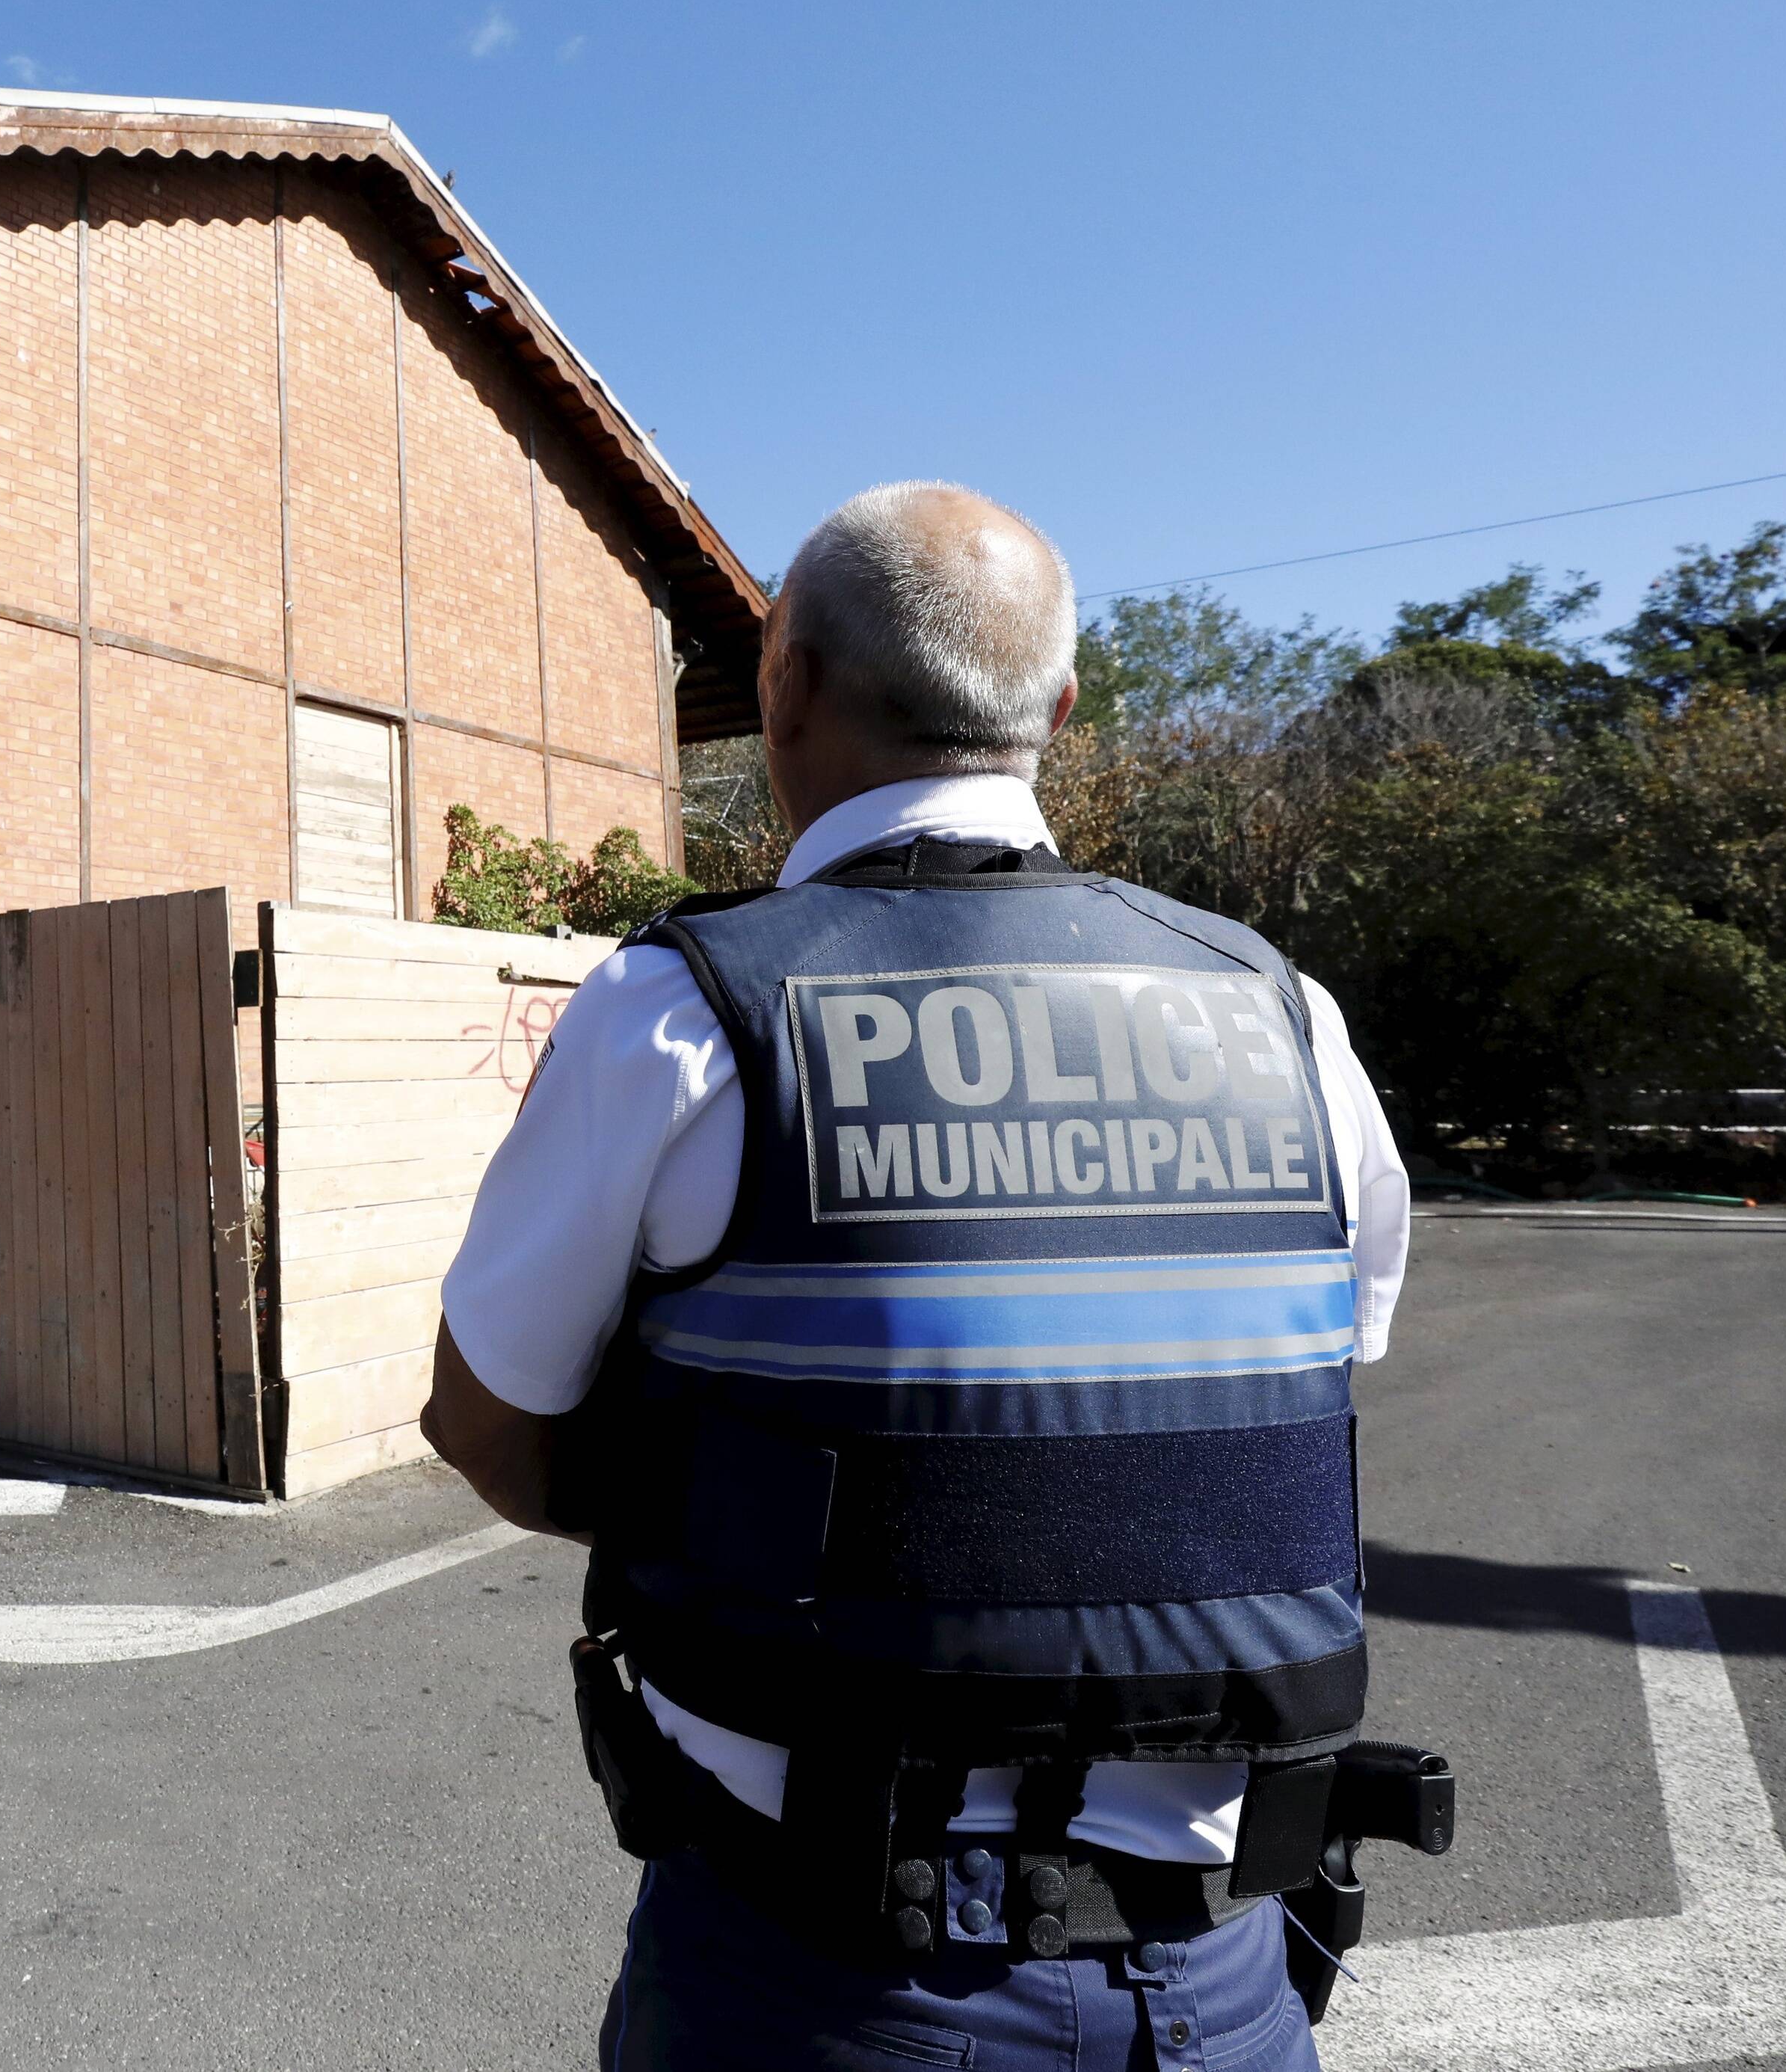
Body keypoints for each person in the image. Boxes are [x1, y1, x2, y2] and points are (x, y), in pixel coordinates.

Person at [425, 482, 1414, 2071]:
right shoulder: (1280, 1010)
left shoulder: (680, 1009)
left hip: (824, 1982)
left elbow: (487, 1418)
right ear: (1062, 710)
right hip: (1225, 1980)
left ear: (783, 683)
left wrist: (740, 1518)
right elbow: (1310, 1365)